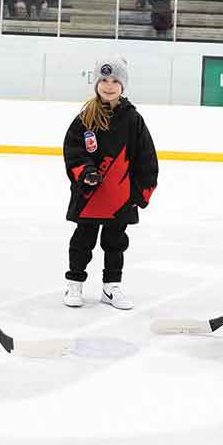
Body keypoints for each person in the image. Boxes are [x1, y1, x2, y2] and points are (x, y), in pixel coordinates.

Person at [62, 56, 158, 310]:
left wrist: (141, 193)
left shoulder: (133, 119)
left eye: (115, 80)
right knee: (83, 239)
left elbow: (146, 158)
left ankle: (111, 287)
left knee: (115, 242)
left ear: (123, 85)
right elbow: (73, 151)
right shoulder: (86, 117)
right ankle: (74, 283)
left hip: (120, 197)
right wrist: (87, 172)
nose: (109, 85)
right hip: (90, 196)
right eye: (104, 79)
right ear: (96, 83)